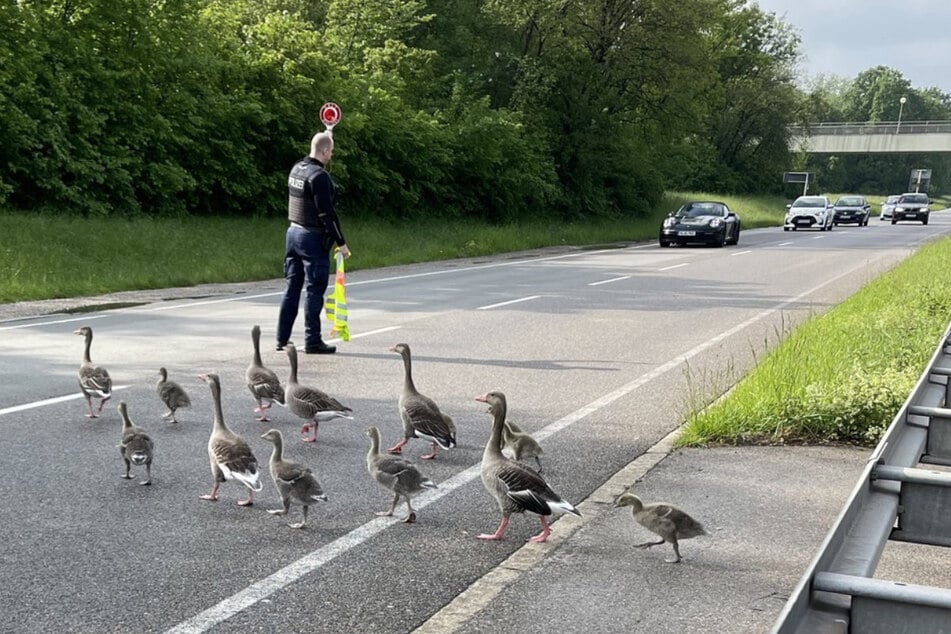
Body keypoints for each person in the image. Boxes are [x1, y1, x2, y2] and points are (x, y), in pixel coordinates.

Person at [276, 131, 352, 354]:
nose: (331, 156)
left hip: (292, 233)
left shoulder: (297, 169)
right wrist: (341, 243)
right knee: (314, 290)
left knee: (292, 287)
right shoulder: (319, 177)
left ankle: (281, 338)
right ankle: (312, 341)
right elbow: (327, 213)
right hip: (311, 237)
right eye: (331, 152)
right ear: (326, 151)